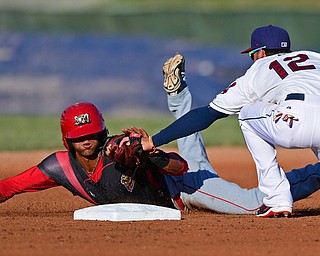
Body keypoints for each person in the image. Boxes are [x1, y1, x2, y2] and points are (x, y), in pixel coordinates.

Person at [1, 101, 320, 215]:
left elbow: (179, 167)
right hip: (182, 182)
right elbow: (14, 185)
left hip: (184, 188)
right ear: (66, 140)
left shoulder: (118, 150)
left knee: (253, 203)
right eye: (78, 138)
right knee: (194, 148)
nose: (87, 142)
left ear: (103, 133)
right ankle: (177, 91)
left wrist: (149, 156)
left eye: (93, 135)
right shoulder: (59, 167)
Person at [149, 25, 320, 217]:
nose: (252, 60)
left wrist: (152, 141)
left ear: (261, 53)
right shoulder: (313, 57)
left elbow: (208, 115)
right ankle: (178, 97)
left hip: (293, 121)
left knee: (246, 113)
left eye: (252, 55)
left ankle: (277, 198)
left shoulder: (258, 69)